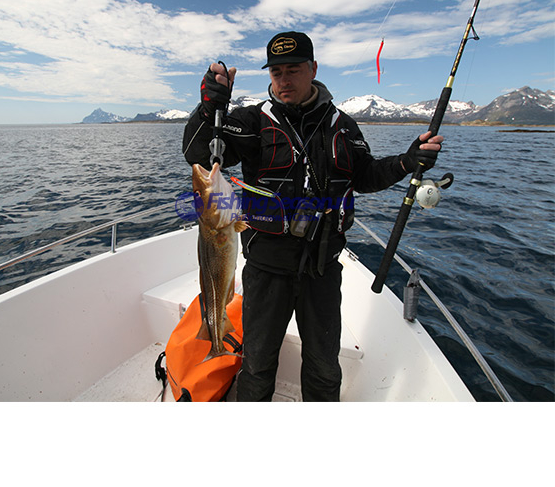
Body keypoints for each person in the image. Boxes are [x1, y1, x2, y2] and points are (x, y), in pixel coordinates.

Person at [182, 31, 443, 401]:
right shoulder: (251, 120)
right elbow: (197, 153)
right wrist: (208, 110)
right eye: (276, 72)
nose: (284, 80)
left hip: (322, 268)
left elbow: (365, 175)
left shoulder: (343, 125)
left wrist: (406, 161)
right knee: (256, 365)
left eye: (293, 70)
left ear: (314, 69)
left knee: (324, 368)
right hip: (266, 267)